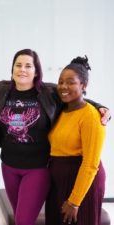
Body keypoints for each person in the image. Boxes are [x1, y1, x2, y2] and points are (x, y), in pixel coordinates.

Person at [0, 49, 110, 225]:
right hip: (9, 166)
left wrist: (101, 107)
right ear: (12, 68)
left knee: (23, 221)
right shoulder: (1, 89)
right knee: (21, 217)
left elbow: (78, 99)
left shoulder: (49, 92)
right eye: (18, 65)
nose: (22, 69)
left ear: (36, 71)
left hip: (38, 167)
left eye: (28, 66)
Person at [45, 56, 106, 225]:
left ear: (83, 86)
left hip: (82, 182)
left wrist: (74, 201)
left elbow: (90, 164)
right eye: (61, 81)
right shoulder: (60, 111)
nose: (63, 86)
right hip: (58, 181)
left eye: (70, 82)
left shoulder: (91, 116)